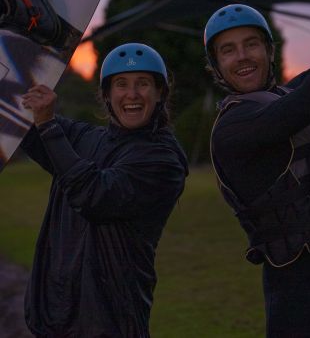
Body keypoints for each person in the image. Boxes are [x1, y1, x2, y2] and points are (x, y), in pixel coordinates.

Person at [20, 42, 188, 338]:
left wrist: (47, 126)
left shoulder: (162, 160)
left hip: (109, 323)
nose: (132, 94)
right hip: (53, 317)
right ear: (107, 96)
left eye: (143, 84)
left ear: (160, 93)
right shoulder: (88, 138)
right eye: (121, 84)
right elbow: (26, 128)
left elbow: (95, 195)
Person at [204, 4, 310, 337]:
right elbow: (307, 100)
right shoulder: (233, 127)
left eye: (251, 44)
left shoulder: (284, 95)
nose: (242, 56)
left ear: (269, 51)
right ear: (217, 67)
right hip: (299, 298)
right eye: (228, 50)